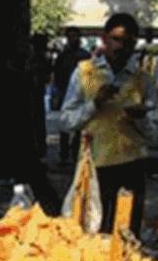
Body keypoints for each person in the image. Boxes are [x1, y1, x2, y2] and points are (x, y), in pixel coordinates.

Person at [60, 13, 158, 236]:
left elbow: (154, 135)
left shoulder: (144, 79)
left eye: (129, 42)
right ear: (104, 39)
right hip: (95, 166)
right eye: (117, 40)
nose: (122, 47)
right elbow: (66, 121)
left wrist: (140, 118)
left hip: (132, 165)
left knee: (127, 233)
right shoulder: (85, 72)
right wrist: (95, 103)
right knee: (95, 232)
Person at [53, 27, 91, 164]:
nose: (73, 39)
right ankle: (63, 155)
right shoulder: (62, 56)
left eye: (75, 36)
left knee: (79, 127)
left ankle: (76, 154)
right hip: (65, 92)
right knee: (64, 126)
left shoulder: (85, 55)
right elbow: (57, 74)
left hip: (82, 93)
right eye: (71, 36)